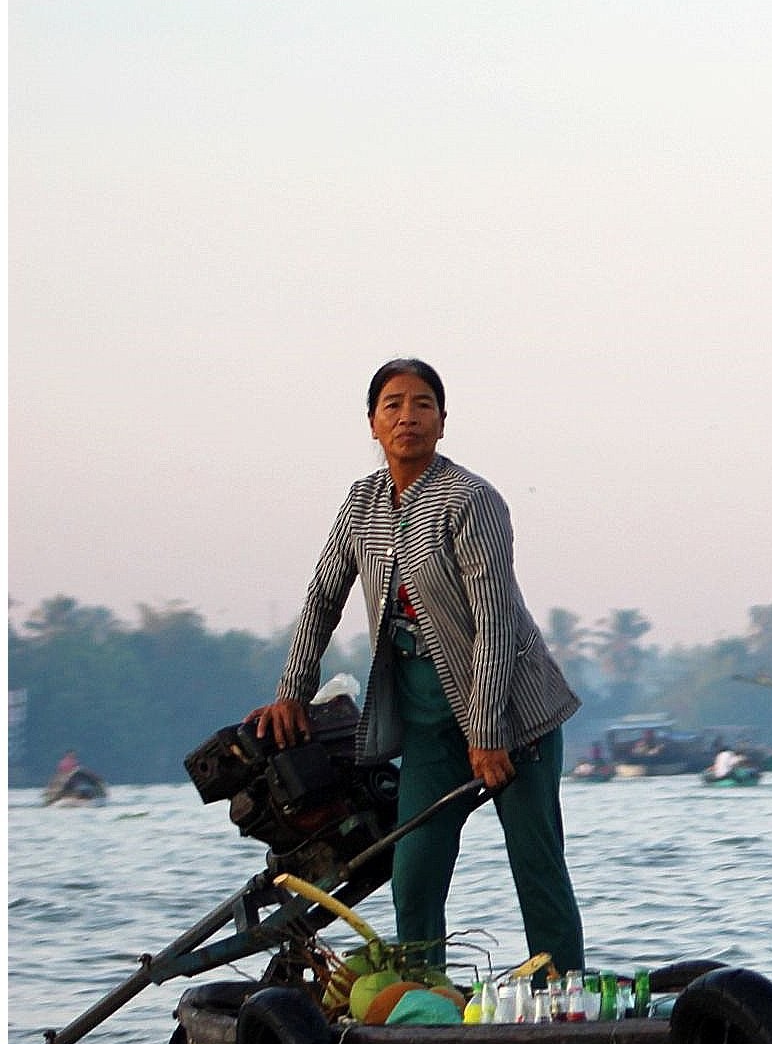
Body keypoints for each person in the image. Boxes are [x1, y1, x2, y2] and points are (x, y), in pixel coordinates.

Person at [247, 358, 586, 975]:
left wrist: (487, 734)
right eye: (393, 405)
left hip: (513, 712)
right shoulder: (362, 502)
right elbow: (324, 595)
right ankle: (425, 998)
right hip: (429, 720)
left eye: (423, 404)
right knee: (415, 871)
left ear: (443, 420)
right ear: (373, 423)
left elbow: (495, 620)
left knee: (535, 865)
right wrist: (292, 690)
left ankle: (563, 998)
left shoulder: (471, 500)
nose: (408, 417)